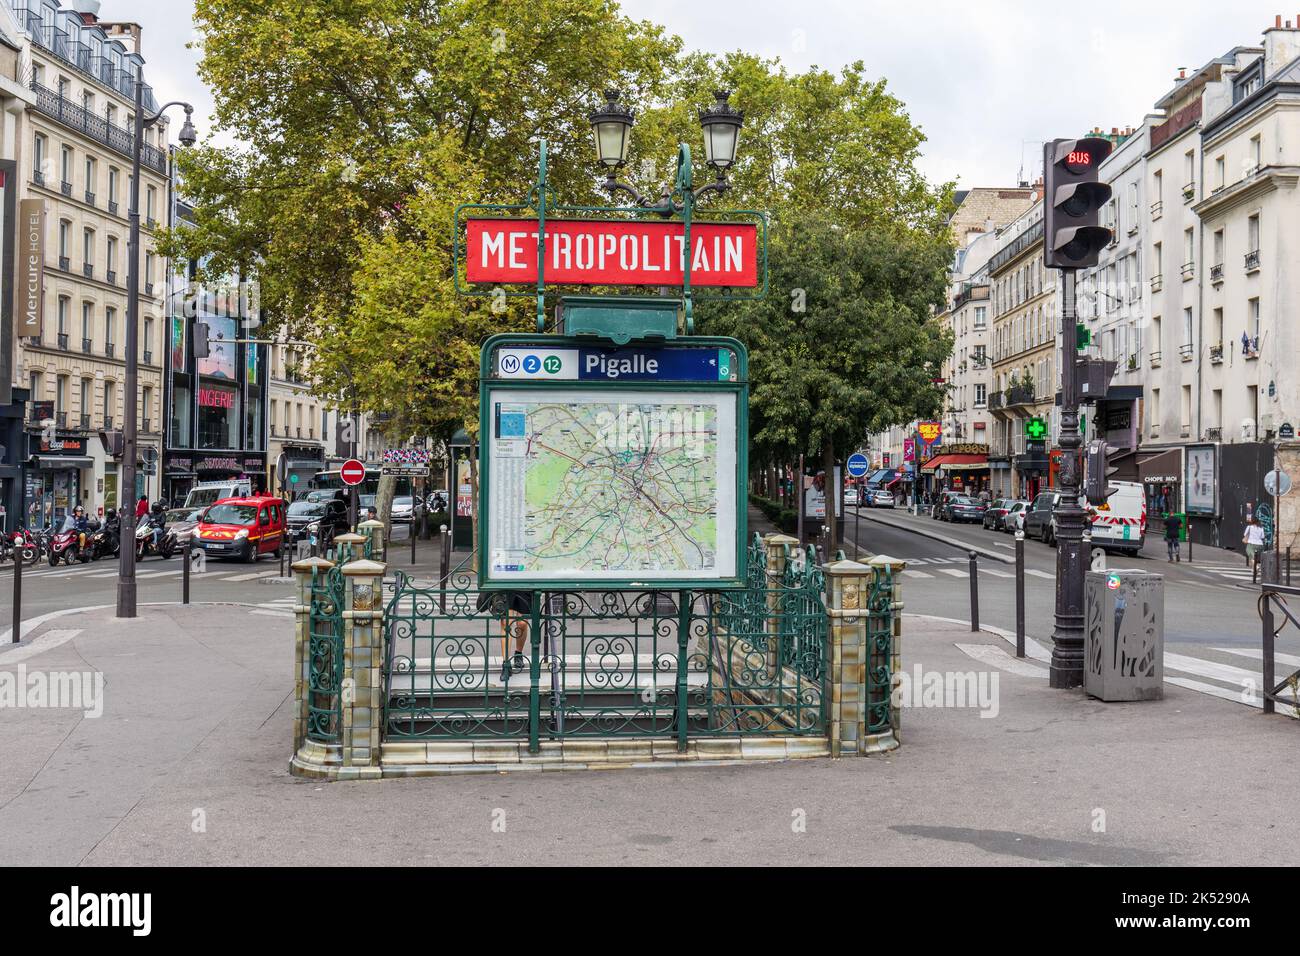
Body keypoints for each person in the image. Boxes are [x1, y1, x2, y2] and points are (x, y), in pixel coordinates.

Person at [476, 590, 532, 681]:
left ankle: (518, 653)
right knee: (506, 623)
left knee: (522, 623)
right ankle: (506, 664)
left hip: (524, 583)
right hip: (505, 583)